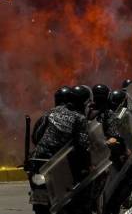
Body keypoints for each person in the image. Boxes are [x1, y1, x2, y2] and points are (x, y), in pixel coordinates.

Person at [30, 85, 93, 214]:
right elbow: (83, 145)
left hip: (38, 159)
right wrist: (88, 165)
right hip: (59, 163)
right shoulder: (79, 118)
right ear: (84, 103)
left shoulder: (52, 112)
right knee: (83, 191)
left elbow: (36, 136)